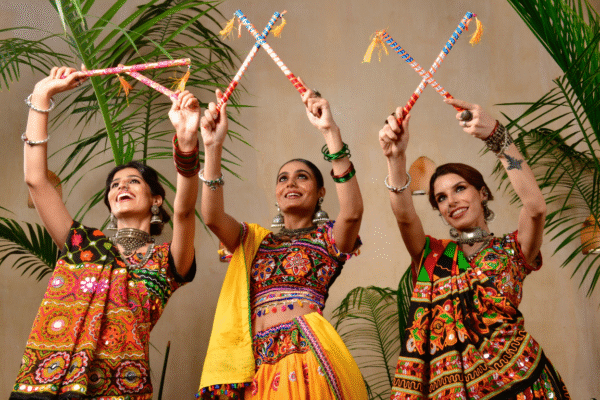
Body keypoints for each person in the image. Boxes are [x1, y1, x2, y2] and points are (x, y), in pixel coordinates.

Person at [11, 66, 200, 399]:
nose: (121, 187)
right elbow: (36, 181)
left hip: (124, 388)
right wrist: (41, 95)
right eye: (114, 185)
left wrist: (186, 144)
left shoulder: (168, 261)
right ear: (110, 203)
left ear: (156, 199)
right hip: (59, 388)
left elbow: (184, 212)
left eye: (133, 181)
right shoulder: (84, 247)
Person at [379, 98, 571, 399]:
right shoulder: (432, 255)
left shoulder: (514, 249)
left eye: (459, 188)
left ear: (482, 193)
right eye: (441, 198)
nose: (451, 201)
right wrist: (395, 158)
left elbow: (535, 207)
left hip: (522, 382)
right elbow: (404, 217)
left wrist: (498, 137)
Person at [196, 82, 368, 399]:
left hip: (306, 357)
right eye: (283, 178)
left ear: (321, 192)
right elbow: (212, 217)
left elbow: (353, 212)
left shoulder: (328, 238)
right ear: (276, 193)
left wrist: (331, 133)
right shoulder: (254, 241)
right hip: (254, 365)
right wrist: (212, 147)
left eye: (302, 177)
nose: (291, 183)